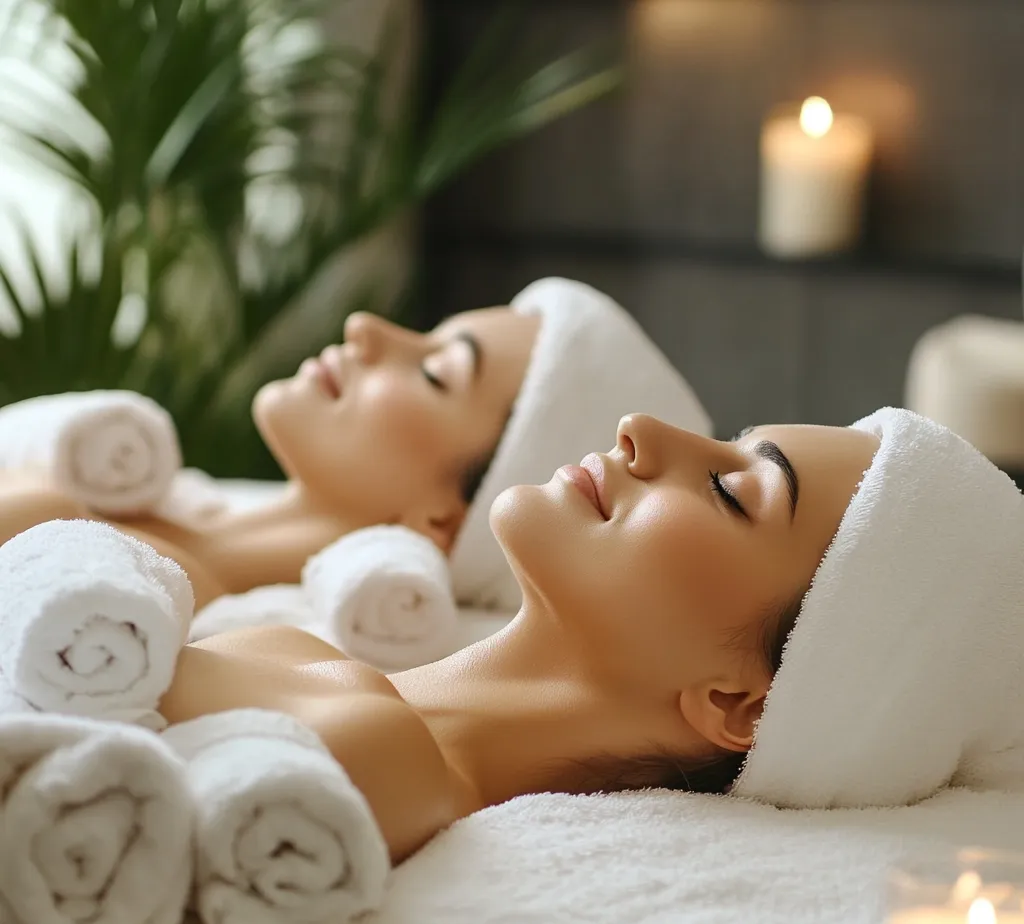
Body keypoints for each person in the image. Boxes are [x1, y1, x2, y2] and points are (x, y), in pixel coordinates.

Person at [158, 411, 885, 864]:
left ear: (739, 705)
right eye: (730, 440)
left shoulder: (382, 769)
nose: (642, 429)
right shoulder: (299, 654)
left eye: (731, 492)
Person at [0, 279, 712, 612]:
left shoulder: (128, 596)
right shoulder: (143, 495)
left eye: (435, 372)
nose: (369, 329)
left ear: (443, 522)